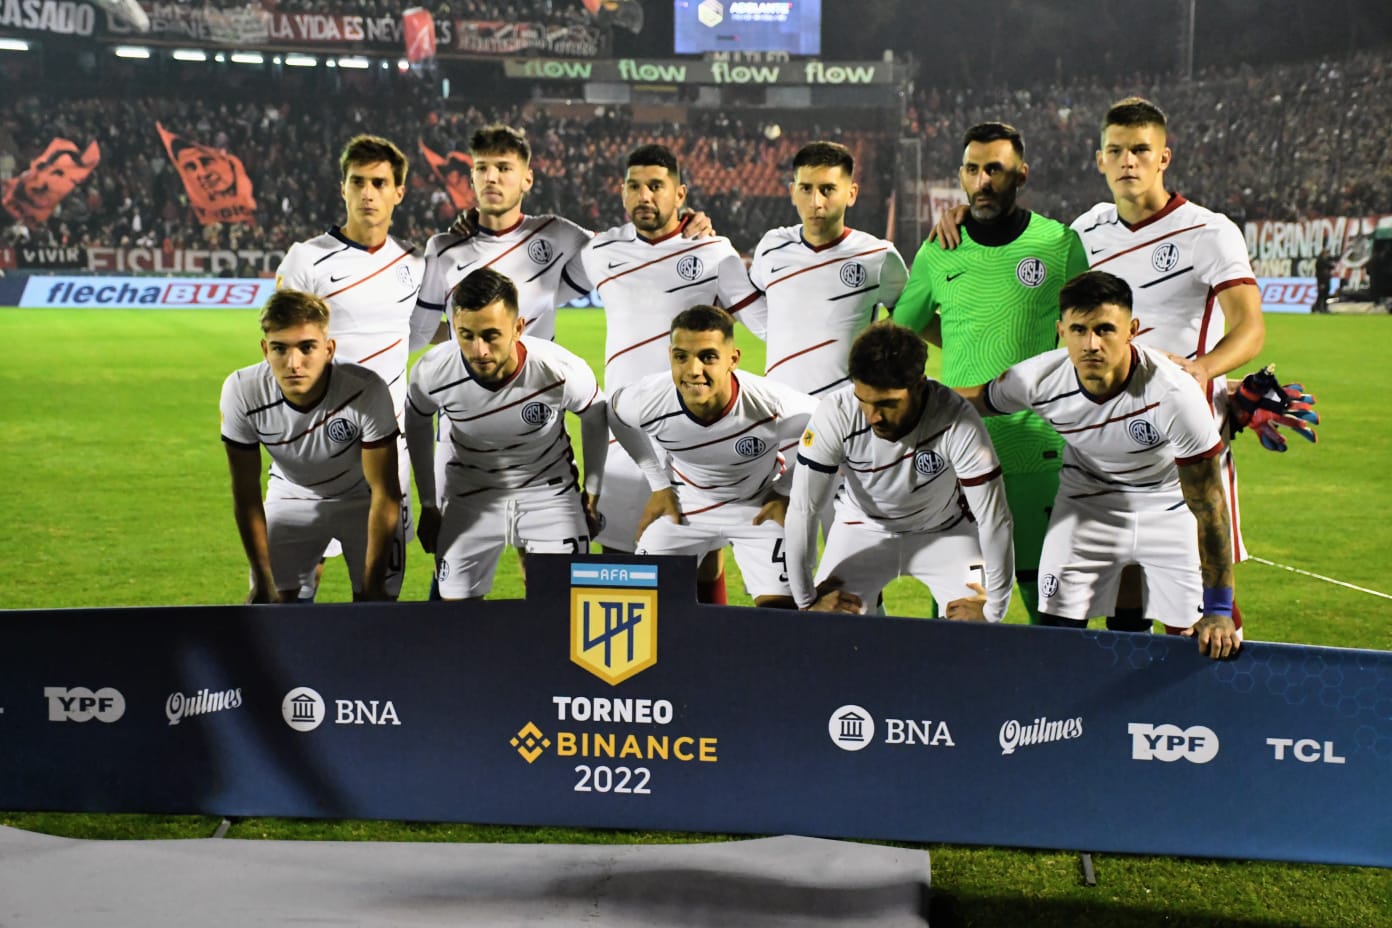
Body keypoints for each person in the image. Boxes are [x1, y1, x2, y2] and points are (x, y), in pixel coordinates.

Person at [961, 271, 1240, 660]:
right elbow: (975, 399)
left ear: (1132, 331)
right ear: (1061, 331)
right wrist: (908, 394)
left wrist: (1220, 610)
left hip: (1167, 504)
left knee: (1197, 642)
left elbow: (1209, 505)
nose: (1091, 344)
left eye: (1105, 329)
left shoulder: (1174, 394)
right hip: (1085, 501)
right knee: (1056, 636)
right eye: (1079, 330)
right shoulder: (1036, 378)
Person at [1071, 97, 1264, 635]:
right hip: (1108, 440)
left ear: (1164, 158)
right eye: (1116, 151)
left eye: (1140, 150)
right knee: (1123, 598)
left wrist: (1203, 370)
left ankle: (1215, 683)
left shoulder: (1207, 231)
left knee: (1201, 608)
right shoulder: (1084, 232)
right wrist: (960, 215)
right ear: (1100, 160)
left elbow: (1250, 327)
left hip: (1186, 437)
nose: (1128, 161)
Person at [894, 122, 1089, 624]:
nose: (983, 181)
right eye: (973, 170)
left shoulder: (1059, 244)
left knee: (1055, 615)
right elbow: (900, 336)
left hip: (1041, 452)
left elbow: (1092, 338)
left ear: (1021, 174)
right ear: (961, 175)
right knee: (958, 617)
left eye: (995, 170)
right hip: (960, 456)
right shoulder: (938, 251)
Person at [580, 144, 763, 604]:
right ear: (622, 192)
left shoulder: (714, 252)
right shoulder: (598, 250)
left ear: (680, 194)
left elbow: (765, 323)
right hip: (622, 435)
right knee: (618, 553)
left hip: (693, 432)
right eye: (635, 186)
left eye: (656, 186)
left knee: (703, 555)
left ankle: (708, 644)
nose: (645, 196)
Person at [607, 305, 855, 612]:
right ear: (670, 355)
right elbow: (615, 416)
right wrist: (659, 484)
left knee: (782, 615)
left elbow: (838, 433)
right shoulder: (647, 398)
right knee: (640, 606)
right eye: (681, 356)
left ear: (733, 360)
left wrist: (786, 490)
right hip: (685, 506)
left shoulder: (772, 404)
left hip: (758, 507)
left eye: (708, 357)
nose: (693, 370)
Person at [274, 134, 426, 600]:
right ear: (342, 188)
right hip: (312, 447)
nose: (367, 193)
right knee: (284, 592)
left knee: (379, 591)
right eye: (357, 182)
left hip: (387, 452)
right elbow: (282, 344)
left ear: (399, 192)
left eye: (379, 183)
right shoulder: (307, 258)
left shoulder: (416, 264)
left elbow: (421, 331)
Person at [785, 321, 1014, 619]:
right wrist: (806, 601)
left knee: (975, 632)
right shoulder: (836, 413)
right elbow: (803, 509)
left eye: (887, 404)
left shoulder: (956, 418)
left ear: (919, 384)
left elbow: (994, 519)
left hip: (946, 530)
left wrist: (993, 611)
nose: (873, 417)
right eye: (864, 402)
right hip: (860, 527)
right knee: (829, 627)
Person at [404, 268, 607, 601]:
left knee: (562, 608)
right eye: (466, 335)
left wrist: (593, 493)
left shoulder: (559, 370)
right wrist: (428, 503)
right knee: (453, 608)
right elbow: (417, 421)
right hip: (470, 495)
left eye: (491, 335)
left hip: (549, 495)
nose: (479, 350)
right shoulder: (432, 371)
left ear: (518, 328)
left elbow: (596, 415)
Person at [220, 290, 403, 603]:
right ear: (265, 350)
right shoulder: (241, 390)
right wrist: (263, 579)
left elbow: (385, 492)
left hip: (362, 497)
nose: (293, 363)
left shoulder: (365, 389)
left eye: (307, 347)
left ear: (329, 349)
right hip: (291, 491)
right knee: (272, 604)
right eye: (280, 348)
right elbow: (246, 491)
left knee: (376, 606)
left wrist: (373, 584)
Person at [747, 140, 908, 398]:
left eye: (828, 189)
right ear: (792, 192)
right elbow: (749, 301)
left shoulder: (879, 256)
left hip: (847, 411)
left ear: (851, 194)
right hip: (780, 410)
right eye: (806, 188)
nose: (816, 202)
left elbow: (908, 318)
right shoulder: (771, 247)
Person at [1313, 249, 1333, 313]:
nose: (1328, 255)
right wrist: (1321, 283)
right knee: (1321, 295)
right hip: (1322, 280)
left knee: (1325, 295)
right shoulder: (1320, 261)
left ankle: (1323, 308)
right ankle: (1318, 308)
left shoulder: (1326, 261)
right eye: (1327, 253)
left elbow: (1331, 266)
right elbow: (1319, 273)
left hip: (1327, 280)